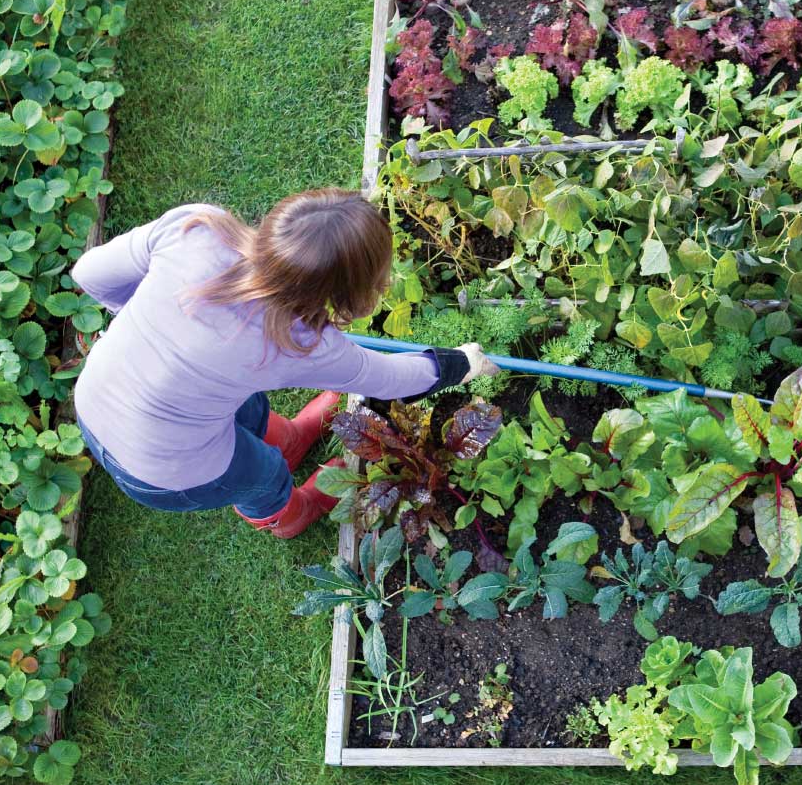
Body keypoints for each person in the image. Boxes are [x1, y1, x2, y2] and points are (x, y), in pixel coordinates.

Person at [70, 190, 495, 538]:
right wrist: (461, 364)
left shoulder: (197, 229)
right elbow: (389, 378)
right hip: (158, 469)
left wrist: (142, 320)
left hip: (94, 400)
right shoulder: (298, 342)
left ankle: (290, 439)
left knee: (245, 405)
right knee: (263, 474)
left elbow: (89, 273)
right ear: (350, 292)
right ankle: (292, 515)